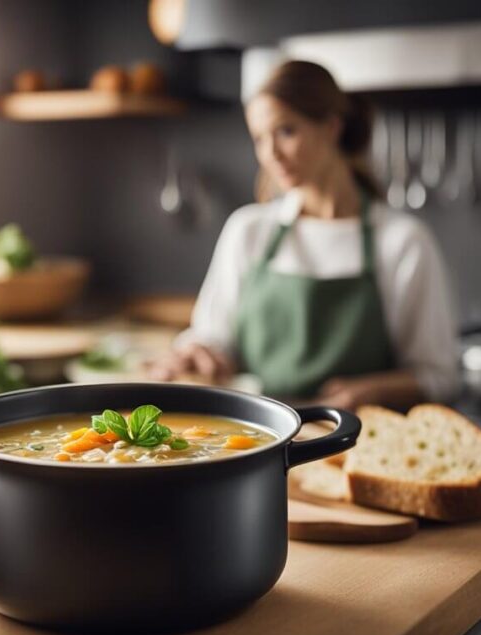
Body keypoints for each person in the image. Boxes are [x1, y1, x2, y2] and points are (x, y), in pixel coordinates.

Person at [148, 61, 459, 410]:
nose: (271, 154)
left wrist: (371, 392)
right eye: (259, 139)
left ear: (330, 127)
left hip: (353, 449)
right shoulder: (248, 231)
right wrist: (196, 354)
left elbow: (439, 377)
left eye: (285, 131)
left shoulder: (402, 242)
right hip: (254, 441)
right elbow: (214, 338)